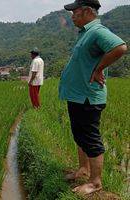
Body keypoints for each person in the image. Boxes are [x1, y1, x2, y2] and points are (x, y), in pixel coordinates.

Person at [59, 0, 127, 195]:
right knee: (79, 134)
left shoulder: (97, 31)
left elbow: (120, 47)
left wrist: (99, 69)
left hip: (88, 96)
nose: (72, 17)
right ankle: (83, 169)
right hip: (78, 96)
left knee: (90, 137)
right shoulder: (85, 33)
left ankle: (95, 182)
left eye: (75, 13)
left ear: (88, 11)